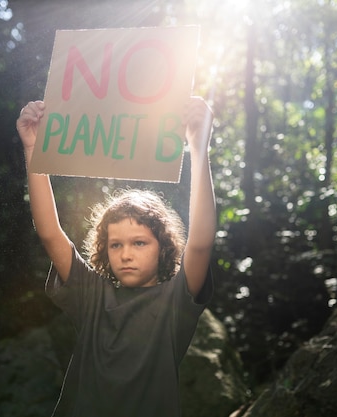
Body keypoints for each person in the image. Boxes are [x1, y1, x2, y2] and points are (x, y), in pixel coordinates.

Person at [16, 97, 216, 417]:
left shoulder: (176, 300)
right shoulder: (92, 295)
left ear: (163, 247)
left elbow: (201, 243)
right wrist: (33, 150)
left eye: (139, 243)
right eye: (115, 245)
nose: (125, 255)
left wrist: (198, 148)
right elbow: (50, 233)